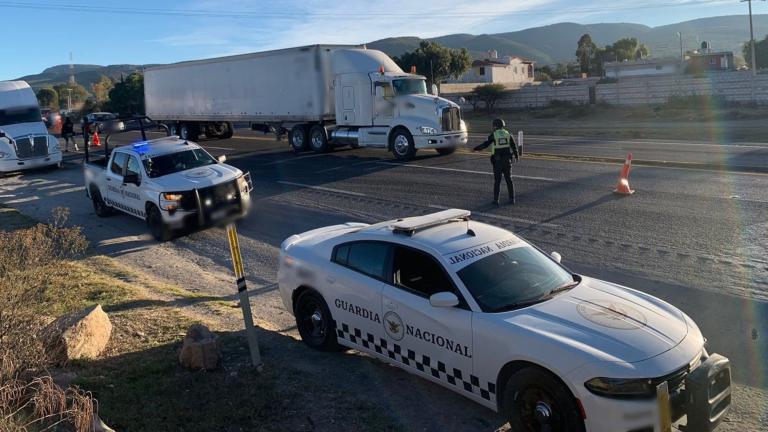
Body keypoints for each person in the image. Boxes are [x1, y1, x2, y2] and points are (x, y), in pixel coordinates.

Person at [473, 118, 519, 205]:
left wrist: (475, 149)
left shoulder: (494, 134)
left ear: (495, 126)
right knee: (509, 180)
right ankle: (512, 199)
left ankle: (496, 200)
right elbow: (513, 146)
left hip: (497, 161)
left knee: (497, 181)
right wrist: (516, 156)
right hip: (507, 161)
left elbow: (485, 144)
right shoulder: (508, 134)